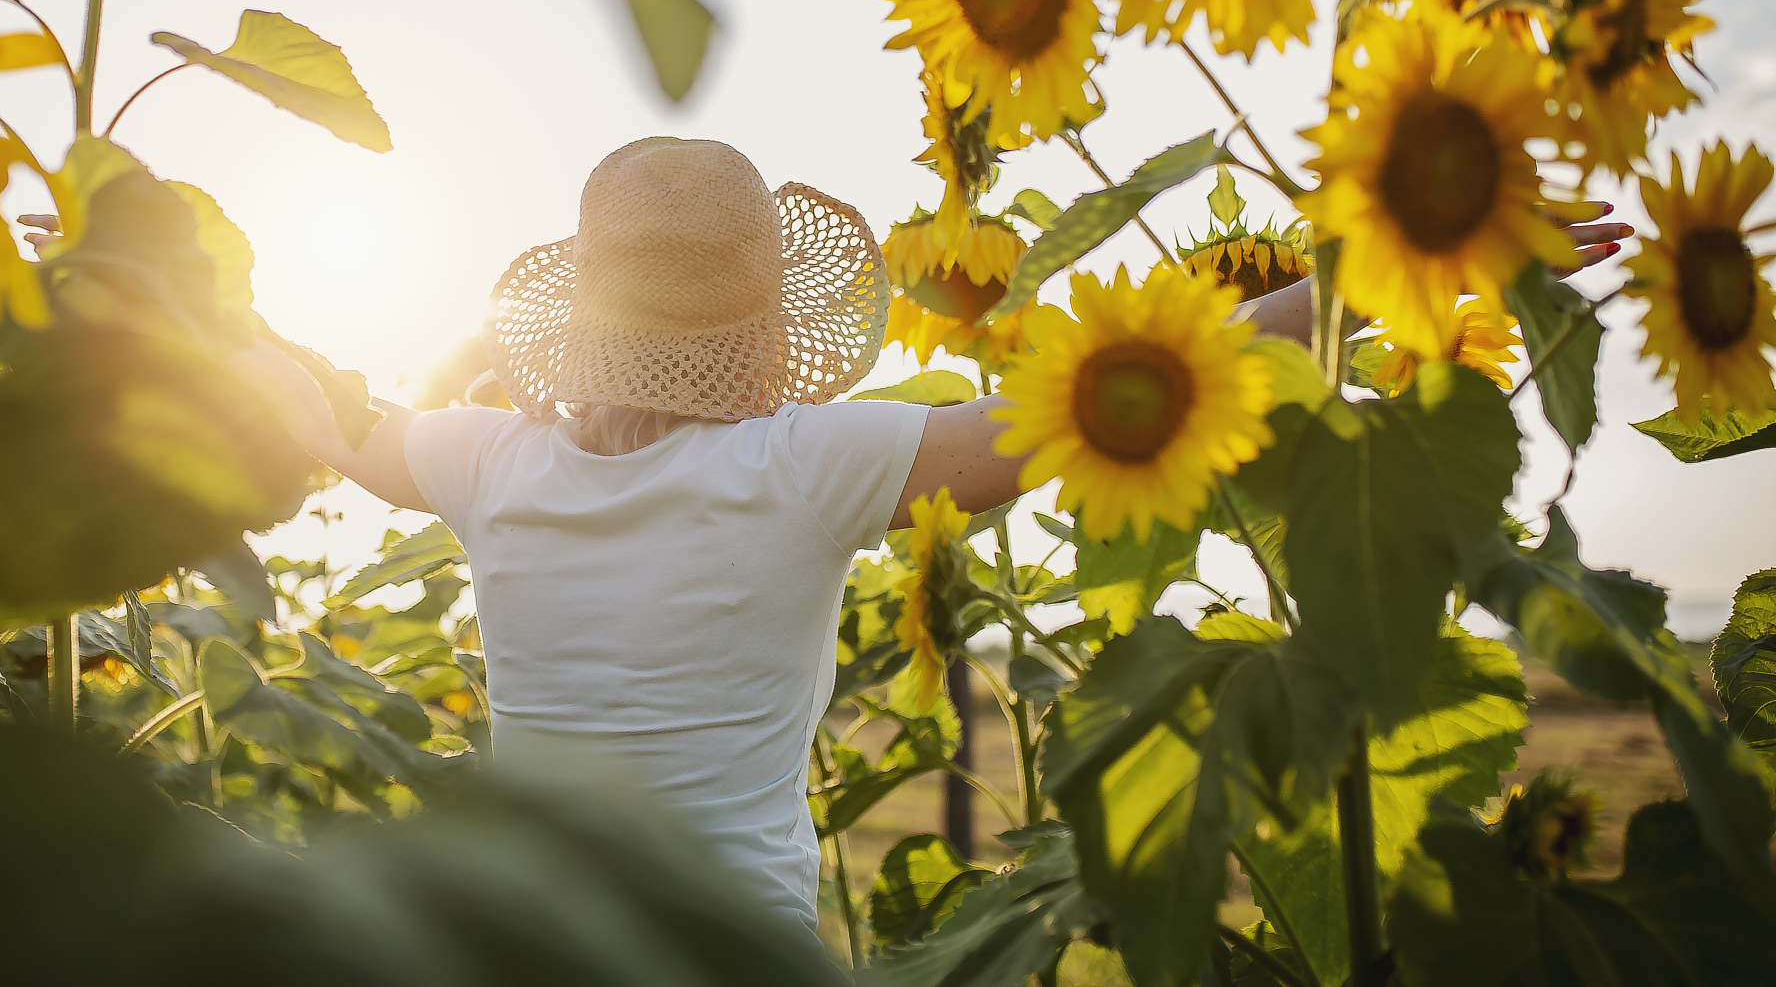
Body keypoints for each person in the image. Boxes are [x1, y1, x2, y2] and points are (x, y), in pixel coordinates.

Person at [175, 136, 1629, 948]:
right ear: (754, 326)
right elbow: (1096, 398)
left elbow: (334, 426)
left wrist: (205, 319)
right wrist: (1393, 259)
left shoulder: (485, 459)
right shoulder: (808, 459)